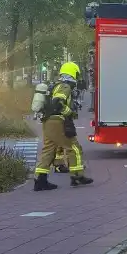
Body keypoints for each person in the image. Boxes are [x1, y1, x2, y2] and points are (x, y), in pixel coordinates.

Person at [33, 62, 92, 191]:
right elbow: (57, 103)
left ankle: (40, 180)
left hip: (47, 121)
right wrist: (70, 112)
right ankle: (77, 176)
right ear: (73, 73)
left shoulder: (55, 85)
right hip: (57, 121)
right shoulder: (65, 86)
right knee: (74, 147)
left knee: (48, 150)